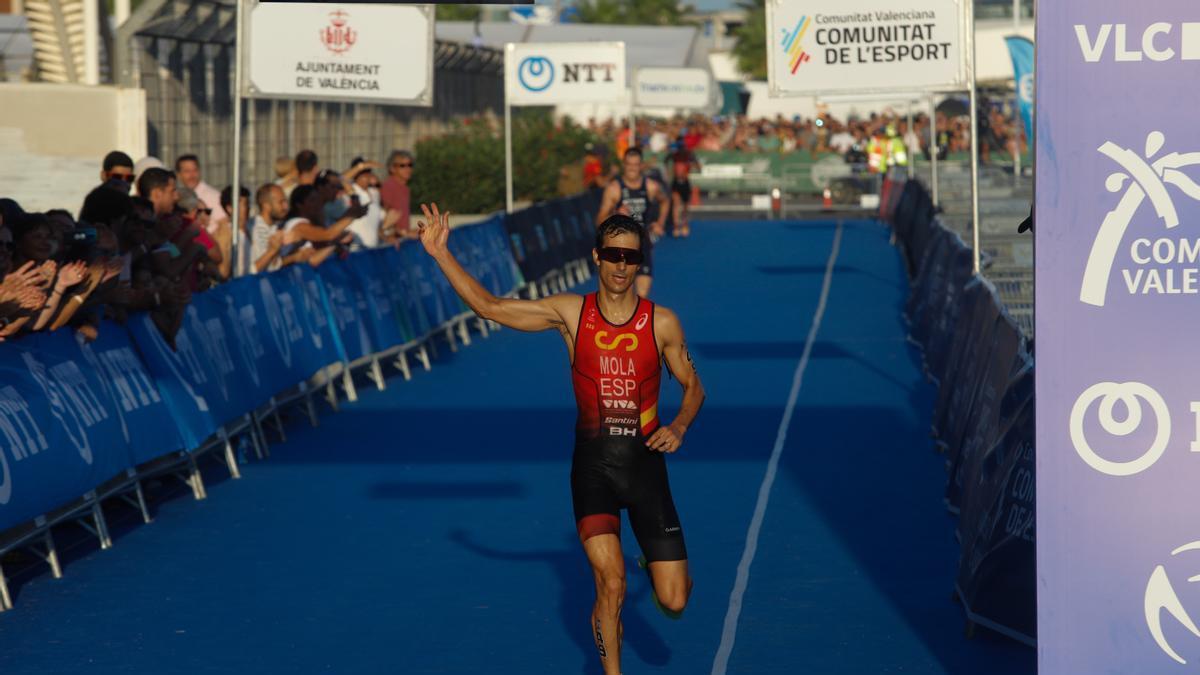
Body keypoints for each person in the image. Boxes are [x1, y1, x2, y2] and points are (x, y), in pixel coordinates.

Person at [416, 204, 704, 675]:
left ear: (640, 263)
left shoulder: (662, 323)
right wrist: (441, 254)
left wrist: (679, 425)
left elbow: (694, 385)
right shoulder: (572, 313)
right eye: (612, 255)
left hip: (646, 468)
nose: (620, 265)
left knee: (675, 598)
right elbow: (490, 307)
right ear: (596, 257)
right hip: (593, 470)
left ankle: (657, 574)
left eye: (630, 258)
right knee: (610, 584)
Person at [595, 147, 669, 298]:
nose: (632, 169)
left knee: (642, 295)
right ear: (624, 165)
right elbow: (599, 221)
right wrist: (615, 214)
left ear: (641, 166)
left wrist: (659, 222)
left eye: (636, 165)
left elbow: (665, 201)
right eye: (629, 164)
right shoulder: (614, 189)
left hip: (642, 245)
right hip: (618, 248)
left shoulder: (651, 187)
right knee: (617, 296)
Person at [174, 154, 227, 234]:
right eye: (187, 171)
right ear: (178, 175)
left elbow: (224, 224)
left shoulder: (212, 196)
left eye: (195, 170)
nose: (192, 175)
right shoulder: (177, 196)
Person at [245, 183, 288, 275]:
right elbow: (251, 270)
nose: (285, 207)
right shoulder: (252, 228)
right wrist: (272, 251)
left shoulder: (277, 228)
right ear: (266, 205)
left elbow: (274, 266)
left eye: (285, 202)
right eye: (281, 202)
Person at [667, 139, 700, 238]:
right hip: (676, 183)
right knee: (676, 204)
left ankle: (684, 225)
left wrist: (693, 165)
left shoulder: (688, 154)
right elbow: (666, 161)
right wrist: (668, 173)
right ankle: (677, 227)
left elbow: (698, 166)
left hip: (685, 183)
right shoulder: (674, 155)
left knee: (685, 206)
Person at [380, 150, 414, 243]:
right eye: (402, 166)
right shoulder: (388, 186)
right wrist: (400, 232)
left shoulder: (405, 188)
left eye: (410, 165)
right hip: (392, 241)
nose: (408, 169)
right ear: (392, 168)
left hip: (402, 240)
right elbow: (383, 217)